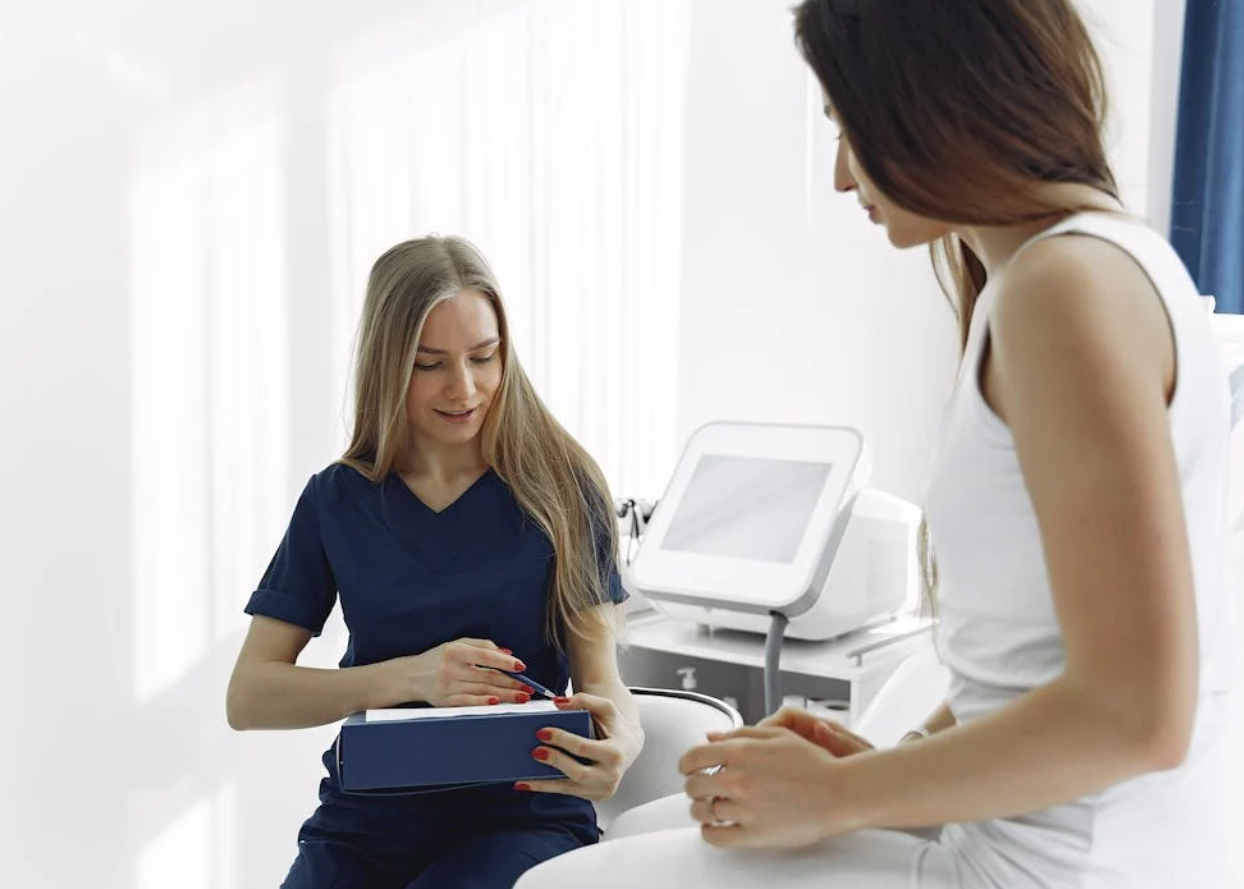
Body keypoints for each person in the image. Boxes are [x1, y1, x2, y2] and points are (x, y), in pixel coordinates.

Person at [514, 1, 1238, 887]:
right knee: (653, 820)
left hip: (1058, 870)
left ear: (927, 96)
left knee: (554, 881)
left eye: (844, 125)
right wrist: (876, 768)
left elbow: (1137, 715)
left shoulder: (1063, 290)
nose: (839, 174)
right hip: (1031, 839)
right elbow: (1029, 663)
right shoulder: (1075, 269)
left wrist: (839, 795)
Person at [225, 234, 644, 889]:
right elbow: (249, 696)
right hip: (366, 824)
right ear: (389, 363)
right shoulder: (337, 499)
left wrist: (624, 742)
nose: (464, 388)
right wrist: (410, 676)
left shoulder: (564, 488)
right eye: (430, 364)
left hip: (521, 819)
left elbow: (604, 681)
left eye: (483, 356)